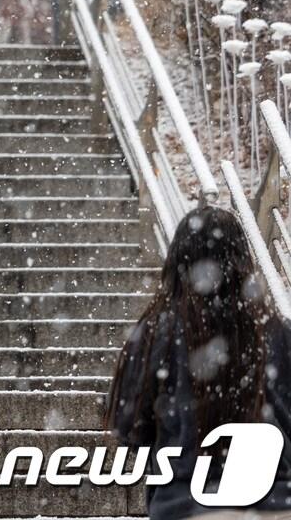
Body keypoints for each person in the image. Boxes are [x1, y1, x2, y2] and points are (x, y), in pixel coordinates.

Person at [108, 206, 291, 519]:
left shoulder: (154, 334)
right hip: (274, 502)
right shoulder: (278, 333)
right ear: (242, 260)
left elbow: (129, 428)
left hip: (187, 503)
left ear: (177, 262)